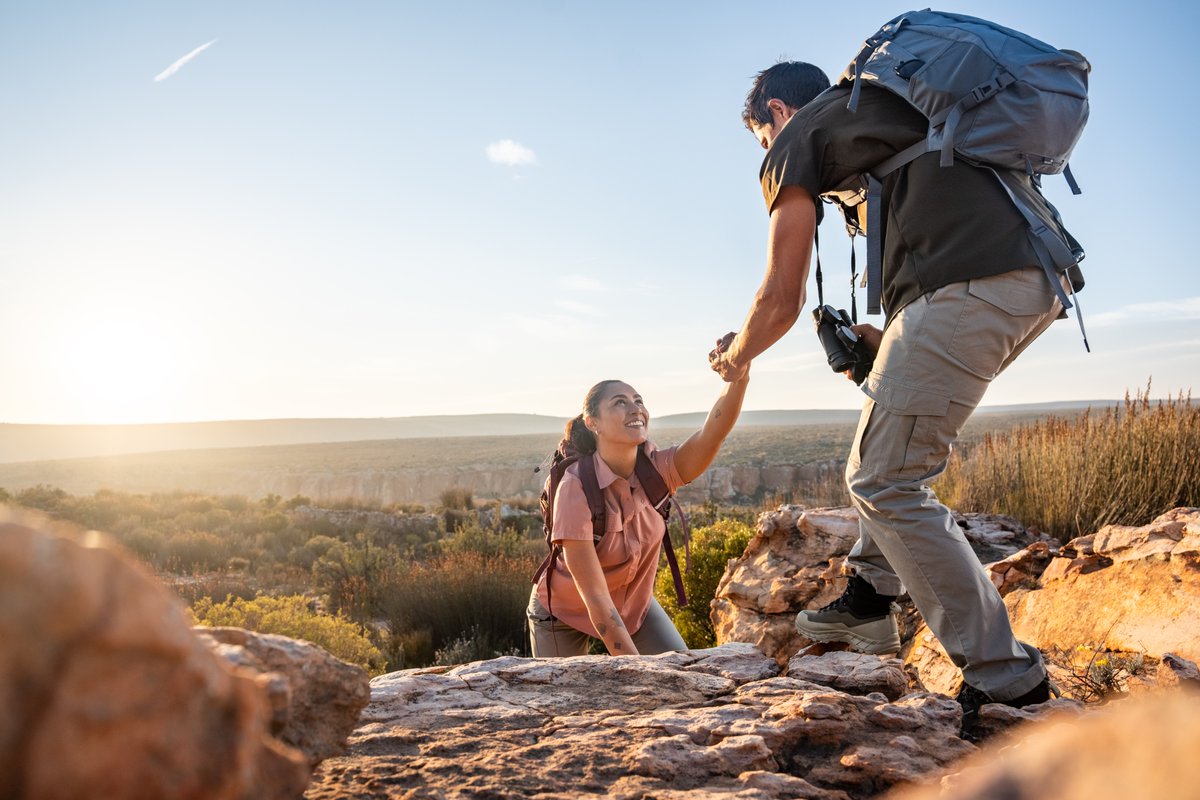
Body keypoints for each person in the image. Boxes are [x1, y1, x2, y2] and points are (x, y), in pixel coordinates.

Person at [708, 61, 1068, 724]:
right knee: (886, 440)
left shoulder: (798, 137)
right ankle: (872, 596)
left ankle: (1008, 682)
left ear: (779, 113)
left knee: (884, 481)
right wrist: (889, 341)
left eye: (763, 139)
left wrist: (735, 356)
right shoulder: (885, 113)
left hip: (974, 281)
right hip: (1031, 276)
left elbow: (780, 299)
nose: (769, 153)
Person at [528, 368, 749, 657]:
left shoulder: (657, 472)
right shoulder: (575, 487)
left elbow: (713, 434)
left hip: (633, 606)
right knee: (564, 699)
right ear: (592, 422)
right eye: (620, 402)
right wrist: (638, 671)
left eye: (639, 400)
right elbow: (596, 599)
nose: (636, 408)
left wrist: (739, 374)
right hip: (562, 613)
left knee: (680, 675)